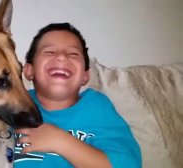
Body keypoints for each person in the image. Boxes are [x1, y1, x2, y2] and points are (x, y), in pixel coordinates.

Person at [13, 23, 141, 168]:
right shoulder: (14, 104)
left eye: (73, 54)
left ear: (85, 76)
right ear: (29, 70)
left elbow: (127, 164)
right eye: (49, 52)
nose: (61, 57)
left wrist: (60, 141)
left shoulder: (96, 107)